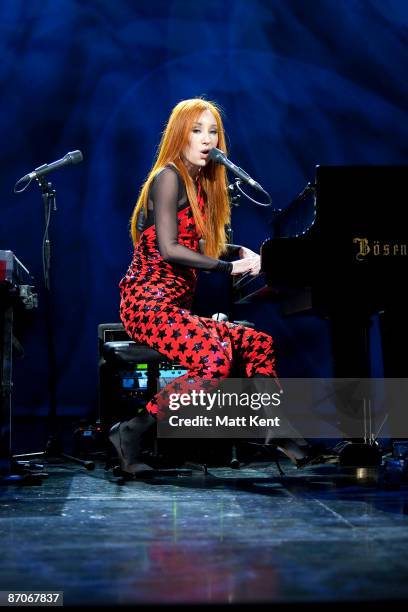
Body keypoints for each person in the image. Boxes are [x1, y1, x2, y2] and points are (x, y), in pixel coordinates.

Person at [109, 97, 319, 477]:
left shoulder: (202, 187)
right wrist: (227, 266)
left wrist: (241, 251)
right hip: (146, 303)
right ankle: (130, 431)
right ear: (179, 135)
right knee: (214, 361)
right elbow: (172, 249)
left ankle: (278, 426)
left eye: (213, 132)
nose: (207, 139)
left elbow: (197, 244)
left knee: (259, 342)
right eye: (196, 130)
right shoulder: (168, 177)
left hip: (173, 305)